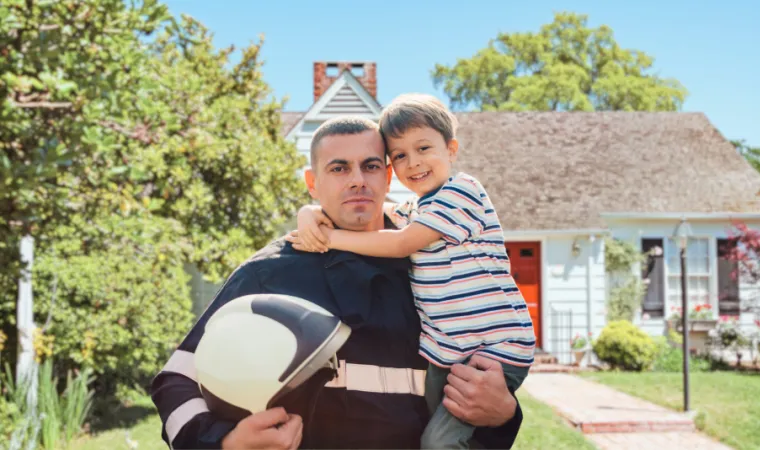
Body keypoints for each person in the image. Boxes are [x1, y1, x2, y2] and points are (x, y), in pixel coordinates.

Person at [150, 116, 524, 449]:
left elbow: (481, 392)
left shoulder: (435, 267)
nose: (358, 180)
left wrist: (504, 416)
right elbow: (177, 378)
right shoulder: (270, 272)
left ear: (388, 176)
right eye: (339, 168)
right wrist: (224, 444)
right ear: (313, 183)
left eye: (371, 165)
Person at [287, 94, 536, 449]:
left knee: (439, 442)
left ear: (451, 149)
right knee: (427, 430)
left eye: (423, 148)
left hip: (491, 349)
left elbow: (402, 243)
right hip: (449, 351)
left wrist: (330, 237)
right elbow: (367, 202)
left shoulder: (462, 193)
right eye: (400, 155)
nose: (413, 163)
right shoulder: (420, 208)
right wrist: (309, 212)